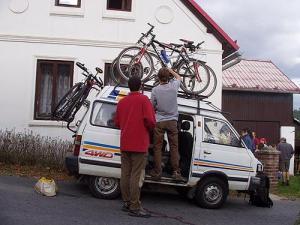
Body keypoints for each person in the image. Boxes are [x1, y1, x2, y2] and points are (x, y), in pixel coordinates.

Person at [114, 76, 156, 218]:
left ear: (128, 86)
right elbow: (150, 121)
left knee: (125, 173)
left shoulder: (122, 102)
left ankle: (126, 202)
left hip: (125, 142)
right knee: (135, 175)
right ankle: (135, 206)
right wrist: (149, 130)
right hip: (139, 143)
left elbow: (117, 123)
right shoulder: (144, 100)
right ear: (141, 86)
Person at [150, 67, 184, 181]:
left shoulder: (155, 90)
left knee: (157, 147)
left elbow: (152, 107)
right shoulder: (174, 86)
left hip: (159, 121)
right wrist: (171, 71)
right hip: (172, 122)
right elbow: (179, 77)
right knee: (174, 147)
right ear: (169, 77)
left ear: (158, 78)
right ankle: (176, 172)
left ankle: (158, 171)